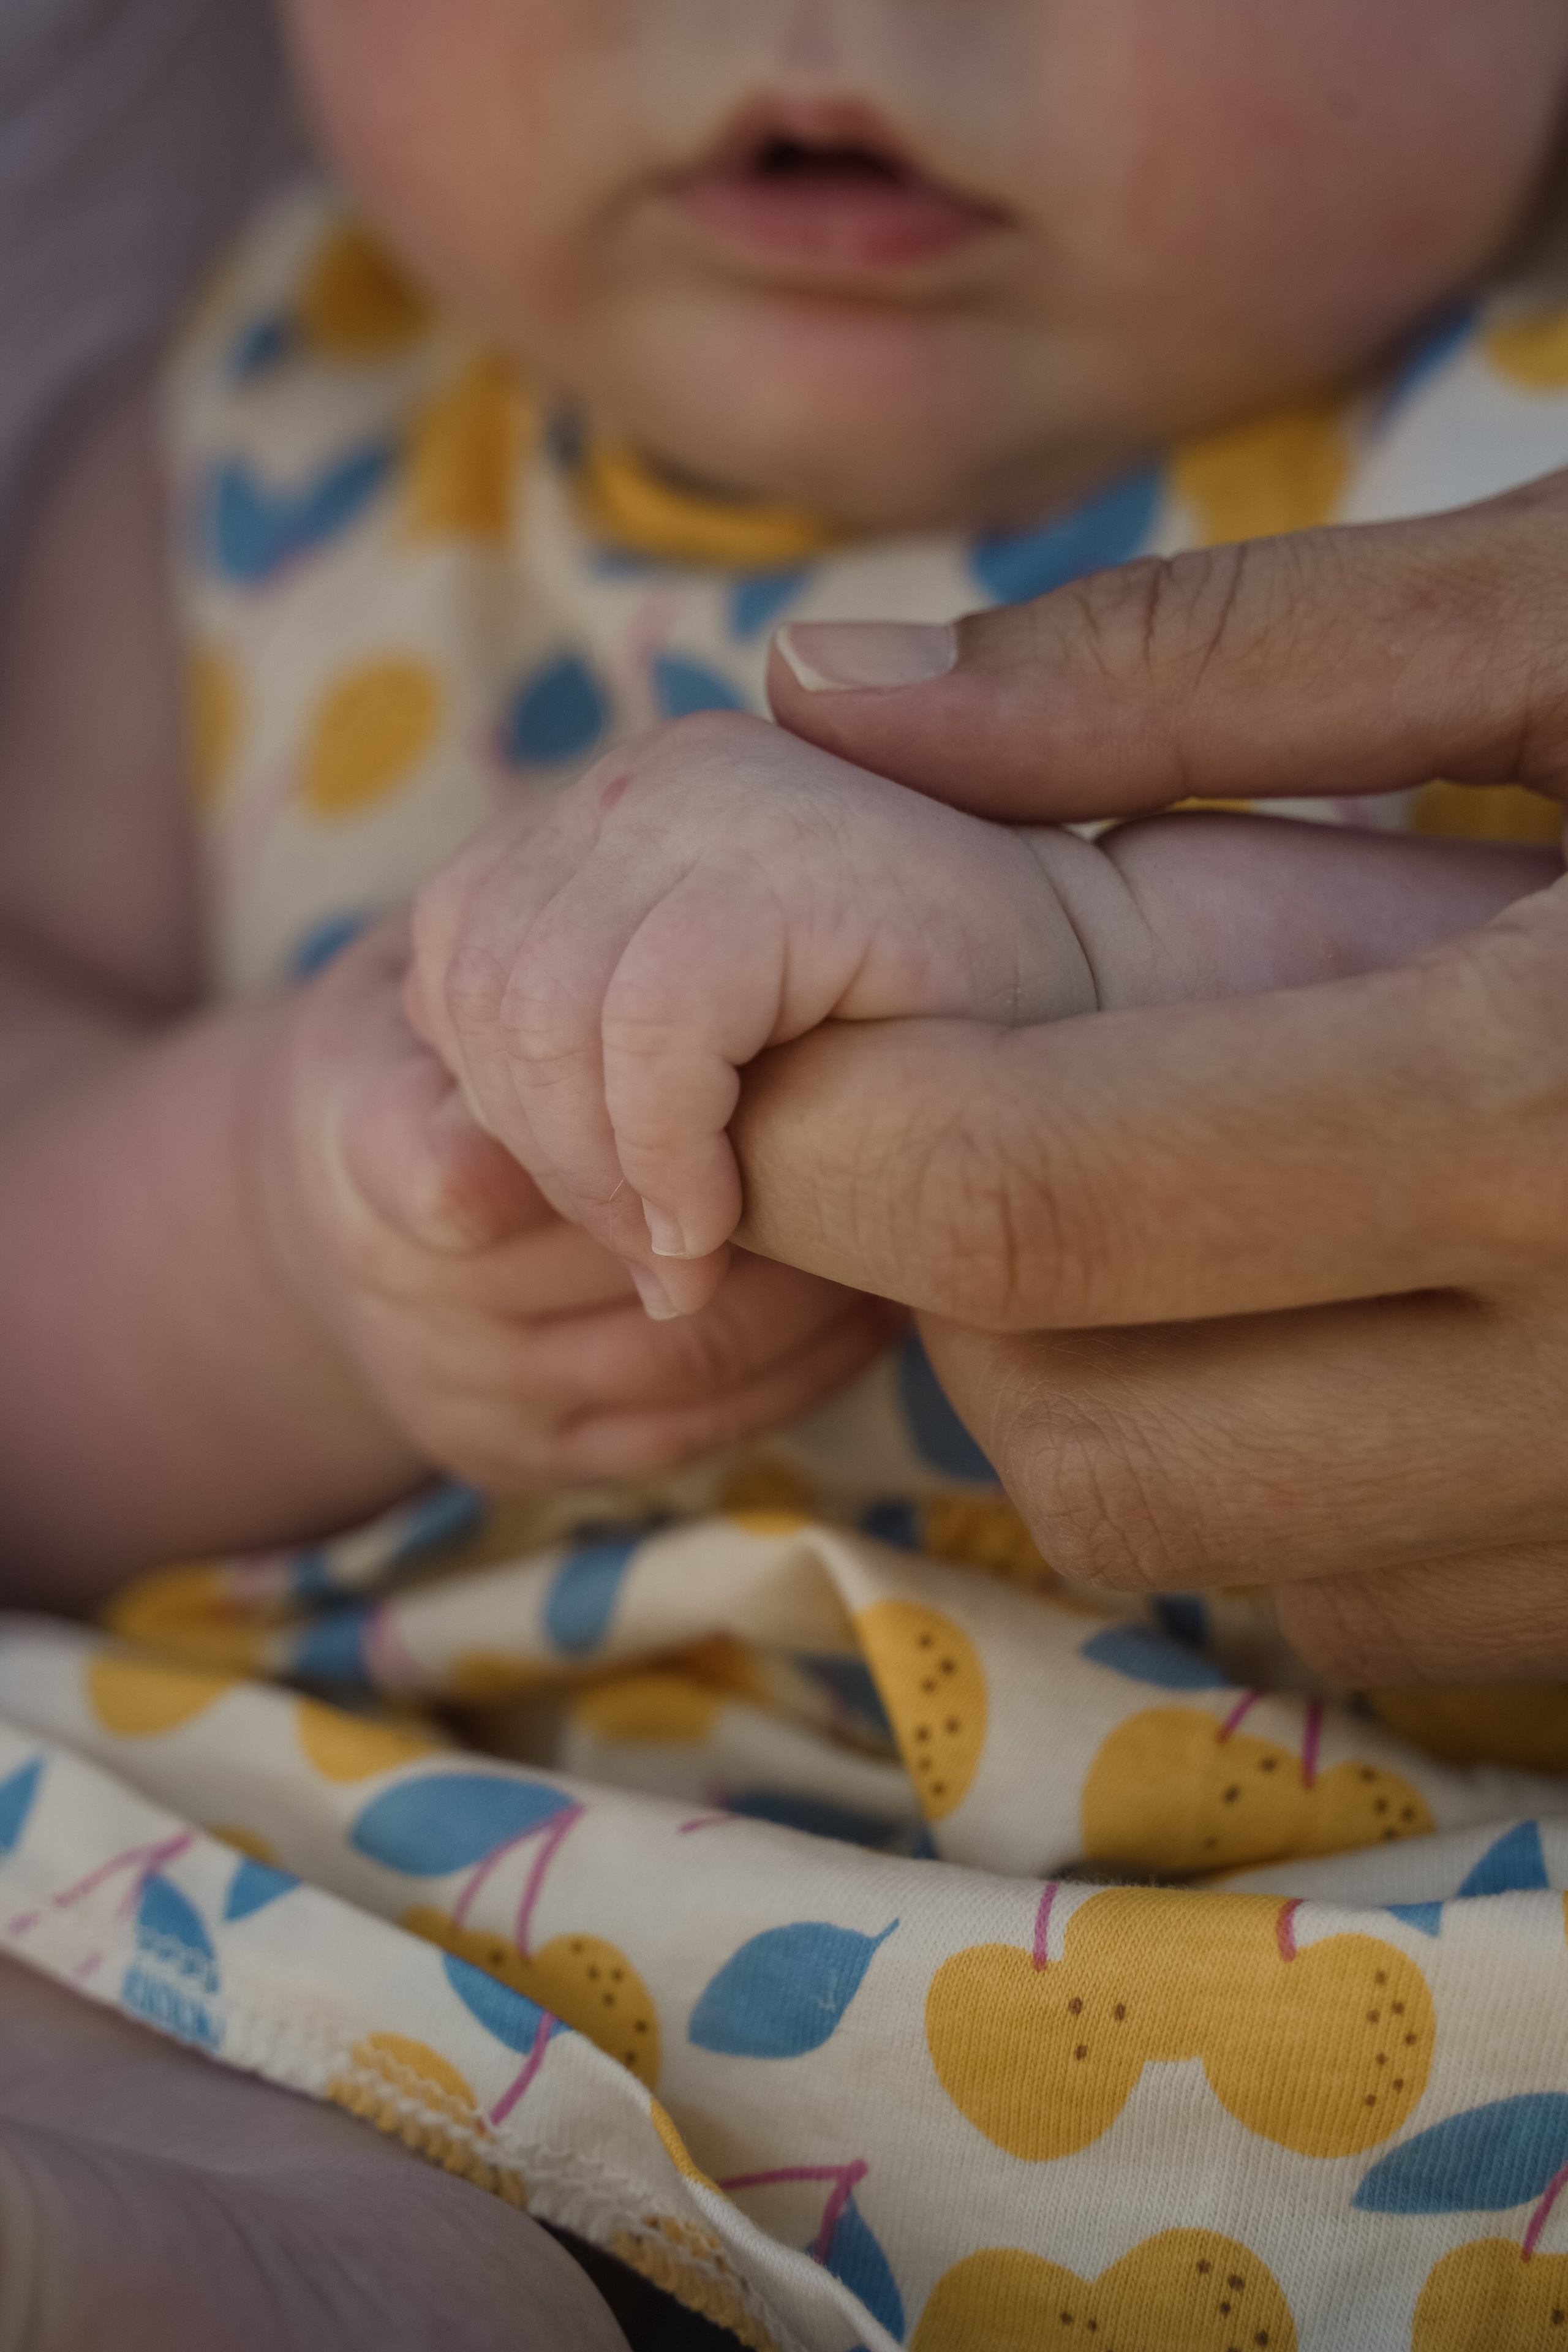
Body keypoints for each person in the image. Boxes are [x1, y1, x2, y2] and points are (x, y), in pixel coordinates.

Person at [4, 2, 1568, 2345]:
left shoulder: (1518, 470)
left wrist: (1112, 965)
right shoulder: (262, 424)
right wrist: (281, 1230)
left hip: (1249, 1954)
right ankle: (322, 2262)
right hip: (309, 1871)